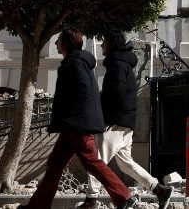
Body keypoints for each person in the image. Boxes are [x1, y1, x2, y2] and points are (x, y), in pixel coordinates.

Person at [20, 27, 137, 209]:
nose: (56, 43)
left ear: (66, 43)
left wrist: (76, 119)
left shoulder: (74, 63)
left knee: (92, 162)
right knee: (54, 166)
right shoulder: (76, 62)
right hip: (71, 125)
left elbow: (83, 94)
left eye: (59, 40)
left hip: (78, 125)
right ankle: (37, 206)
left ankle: (124, 196)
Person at [80, 31, 174, 209]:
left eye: (104, 43)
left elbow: (116, 94)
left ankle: (91, 199)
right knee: (126, 165)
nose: (101, 46)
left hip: (115, 122)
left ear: (112, 45)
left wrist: (100, 108)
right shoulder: (123, 64)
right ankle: (159, 189)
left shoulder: (116, 65)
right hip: (126, 122)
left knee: (96, 160)